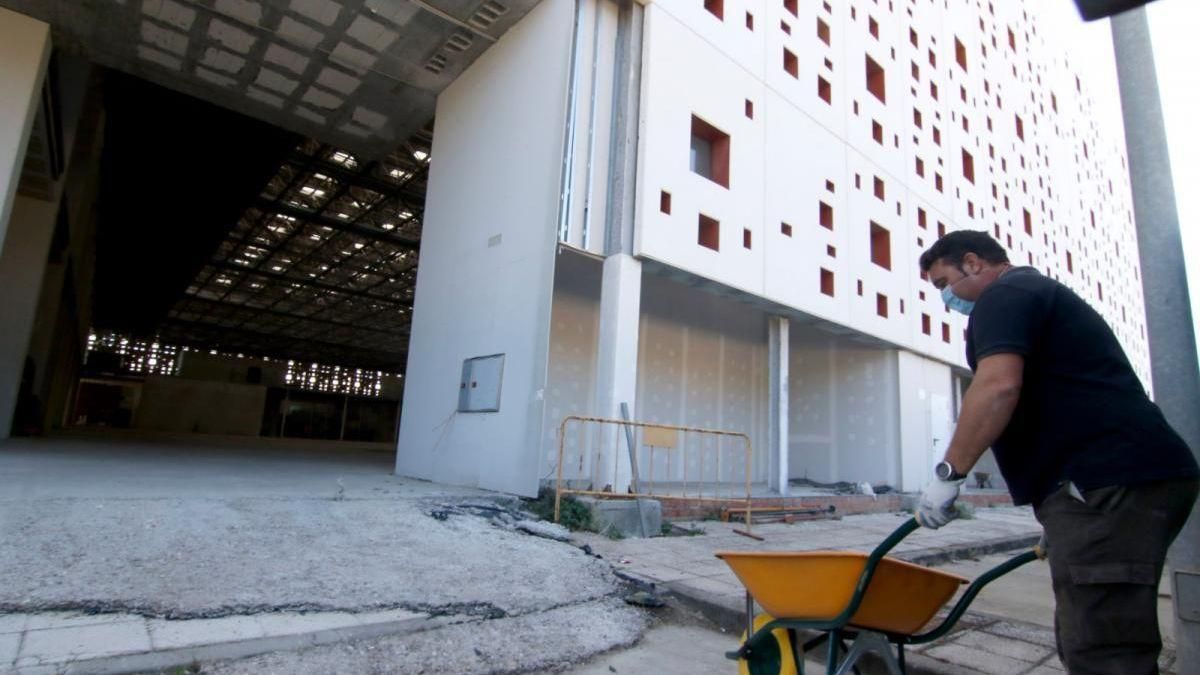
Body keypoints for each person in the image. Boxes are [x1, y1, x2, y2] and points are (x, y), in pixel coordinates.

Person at [913, 230, 1199, 675]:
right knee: (1088, 631)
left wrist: (948, 475)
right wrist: (1062, 518)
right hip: (1111, 485)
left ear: (973, 263)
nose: (946, 298)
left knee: (1105, 651)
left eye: (943, 283)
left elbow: (997, 387)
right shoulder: (1036, 295)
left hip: (1107, 482)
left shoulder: (1005, 295)